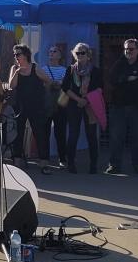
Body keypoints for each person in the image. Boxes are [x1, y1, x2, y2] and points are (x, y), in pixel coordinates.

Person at [107, 39, 138, 175]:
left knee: (137, 137)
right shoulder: (119, 64)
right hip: (118, 106)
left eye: (131, 49)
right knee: (116, 137)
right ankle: (114, 165)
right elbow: (112, 80)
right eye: (126, 49)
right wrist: (127, 79)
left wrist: (123, 82)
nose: (128, 51)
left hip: (136, 107)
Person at [8, 44, 52, 174]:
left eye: (18, 54)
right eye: (14, 55)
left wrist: (43, 93)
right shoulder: (14, 68)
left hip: (36, 105)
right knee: (18, 133)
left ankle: (44, 162)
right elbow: (11, 85)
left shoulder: (35, 68)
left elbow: (48, 80)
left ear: (26, 54)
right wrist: (17, 71)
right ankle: (17, 161)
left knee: (40, 133)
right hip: (20, 105)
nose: (16, 57)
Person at [62, 43, 103, 174]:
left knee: (91, 135)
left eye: (83, 53)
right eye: (77, 53)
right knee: (73, 134)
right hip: (74, 104)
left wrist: (86, 99)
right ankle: (71, 163)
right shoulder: (70, 69)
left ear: (88, 55)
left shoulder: (95, 70)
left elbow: (99, 88)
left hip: (90, 105)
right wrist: (78, 99)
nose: (80, 55)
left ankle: (93, 165)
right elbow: (65, 88)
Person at [43, 45, 68, 167]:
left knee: (60, 132)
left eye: (54, 51)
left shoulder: (65, 70)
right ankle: (45, 158)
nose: (52, 53)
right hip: (47, 104)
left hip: (60, 104)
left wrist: (57, 84)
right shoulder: (43, 69)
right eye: (50, 51)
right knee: (45, 132)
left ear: (60, 55)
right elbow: (42, 85)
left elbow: (65, 85)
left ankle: (62, 158)